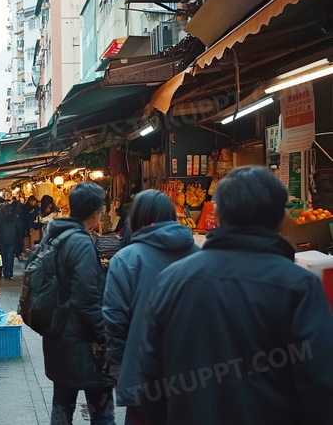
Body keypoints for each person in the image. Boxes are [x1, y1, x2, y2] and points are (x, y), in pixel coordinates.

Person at [134, 166, 333, 425]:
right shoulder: (298, 286)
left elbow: (149, 378)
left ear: (217, 216)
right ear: (281, 218)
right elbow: (319, 385)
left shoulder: (172, 280)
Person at [102, 190, 199, 425]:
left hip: (143, 378)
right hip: (198, 374)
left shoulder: (126, 260)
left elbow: (114, 321)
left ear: (136, 219)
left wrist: (125, 360)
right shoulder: (201, 257)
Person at [42, 182, 114, 425]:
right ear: (96, 213)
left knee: (61, 409)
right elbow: (86, 298)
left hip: (57, 337)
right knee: (102, 412)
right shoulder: (81, 243)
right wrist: (102, 338)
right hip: (83, 344)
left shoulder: (54, 236)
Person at [0, 202, 22, 280]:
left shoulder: (0, 217)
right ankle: (9, 272)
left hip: (2, 238)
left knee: (4, 255)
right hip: (12, 238)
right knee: (10, 255)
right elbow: (18, 228)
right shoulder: (16, 217)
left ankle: (5, 271)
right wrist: (19, 239)